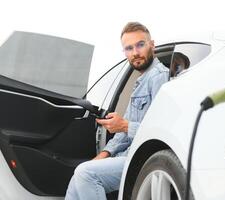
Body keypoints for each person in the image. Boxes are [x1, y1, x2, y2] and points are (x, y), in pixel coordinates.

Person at [65, 22, 169, 200]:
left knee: (85, 174)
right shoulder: (141, 81)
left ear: (152, 44)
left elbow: (162, 130)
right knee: (78, 176)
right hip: (126, 155)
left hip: (144, 157)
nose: (135, 52)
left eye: (140, 44)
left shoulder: (159, 76)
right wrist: (104, 154)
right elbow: (124, 131)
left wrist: (125, 126)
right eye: (129, 48)